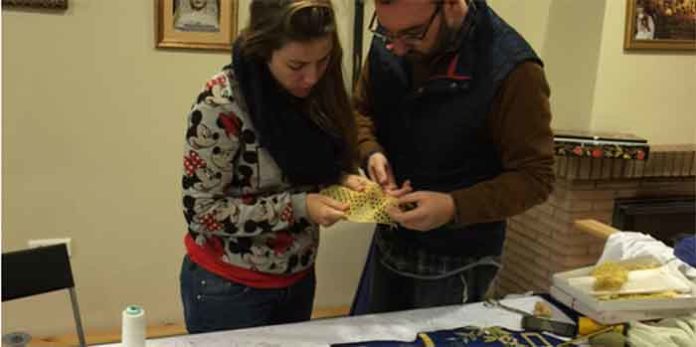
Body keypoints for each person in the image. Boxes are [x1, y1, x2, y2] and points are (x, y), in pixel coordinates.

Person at [351, 0, 555, 314]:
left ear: (451, 5)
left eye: (414, 34)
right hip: (390, 243)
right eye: (384, 30)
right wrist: (371, 152)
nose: (398, 48)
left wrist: (454, 206)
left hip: (459, 263)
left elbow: (535, 178)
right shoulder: (392, 41)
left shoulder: (513, 70)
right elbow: (360, 112)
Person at [180, 0, 365, 333]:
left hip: (298, 278)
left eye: (322, 61)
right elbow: (202, 210)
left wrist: (340, 179)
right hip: (229, 288)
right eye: (296, 65)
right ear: (263, 50)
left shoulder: (316, 91)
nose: (311, 77)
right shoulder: (220, 103)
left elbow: (309, 166)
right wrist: (300, 207)